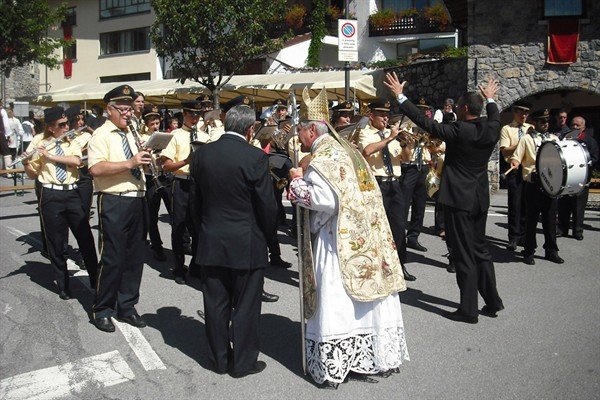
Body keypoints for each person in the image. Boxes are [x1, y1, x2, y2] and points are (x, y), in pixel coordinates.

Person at [288, 87, 409, 387]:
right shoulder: (347, 149)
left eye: (301, 131)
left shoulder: (324, 156)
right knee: (365, 301)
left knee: (337, 296)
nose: (299, 137)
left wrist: (297, 185)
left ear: (311, 130)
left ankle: (335, 364)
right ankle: (368, 356)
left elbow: (326, 200)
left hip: (338, 237)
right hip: (366, 234)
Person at [385, 71, 504, 324]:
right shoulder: (492, 128)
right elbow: (494, 114)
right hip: (479, 197)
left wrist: (401, 97)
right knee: (480, 249)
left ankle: (469, 310)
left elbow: (426, 123)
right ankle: (492, 301)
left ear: (461, 109)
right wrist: (491, 99)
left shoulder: (459, 130)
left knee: (463, 254)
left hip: (458, 200)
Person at [190, 103, 278, 377]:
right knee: (246, 306)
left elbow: (194, 203)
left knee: (215, 304)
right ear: (250, 129)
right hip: (246, 240)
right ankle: (243, 362)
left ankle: (219, 360)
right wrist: (268, 234)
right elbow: (267, 204)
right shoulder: (255, 157)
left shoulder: (202, 155)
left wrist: (200, 233)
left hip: (211, 239)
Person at [87, 84, 151, 332]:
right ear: (109, 110)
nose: (128, 113)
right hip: (114, 199)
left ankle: (127, 306)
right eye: (123, 109)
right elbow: (95, 169)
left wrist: (145, 159)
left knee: (135, 257)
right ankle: (102, 309)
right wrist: (130, 162)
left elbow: (135, 164)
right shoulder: (101, 135)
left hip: (137, 197)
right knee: (113, 258)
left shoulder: (132, 133)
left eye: (130, 109)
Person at [22, 107, 98, 300]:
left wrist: (50, 156)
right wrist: (25, 163)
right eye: (62, 125)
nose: (67, 127)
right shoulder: (39, 142)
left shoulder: (70, 140)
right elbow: (34, 174)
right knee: (56, 243)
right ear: (51, 128)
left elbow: (75, 161)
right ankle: (63, 284)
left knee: (85, 237)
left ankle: (96, 278)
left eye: (66, 123)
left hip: (71, 193)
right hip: (50, 195)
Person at [357, 99, 416, 281]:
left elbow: (406, 159)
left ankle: (400, 264)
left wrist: (405, 143)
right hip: (377, 182)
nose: (385, 117)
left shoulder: (393, 134)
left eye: (386, 114)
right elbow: (367, 151)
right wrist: (390, 137)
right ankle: (376, 265)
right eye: (381, 114)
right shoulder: (365, 133)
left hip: (395, 183)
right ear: (371, 116)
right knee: (376, 225)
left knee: (399, 226)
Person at [510, 109, 564, 265]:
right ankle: (528, 251)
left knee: (550, 219)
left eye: (547, 121)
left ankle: (551, 250)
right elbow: (516, 156)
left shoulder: (554, 139)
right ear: (534, 123)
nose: (546, 124)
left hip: (550, 184)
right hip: (533, 183)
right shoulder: (526, 139)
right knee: (531, 219)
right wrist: (515, 162)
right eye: (542, 121)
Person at [161, 100, 202, 284]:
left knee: (199, 228)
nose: (195, 118)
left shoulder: (203, 135)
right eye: (192, 114)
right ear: (184, 114)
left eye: (198, 114)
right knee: (179, 227)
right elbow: (167, 165)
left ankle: (195, 265)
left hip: (199, 185)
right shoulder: (176, 136)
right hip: (181, 183)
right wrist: (186, 161)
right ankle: (178, 267)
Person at [557, 116, 599, 240]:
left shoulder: (590, 141)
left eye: (577, 125)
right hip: (566, 179)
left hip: (581, 178)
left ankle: (577, 231)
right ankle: (562, 229)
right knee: (564, 205)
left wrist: (582, 163)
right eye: (573, 125)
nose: (574, 127)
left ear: (583, 128)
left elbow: (595, 158)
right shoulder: (565, 139)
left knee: (578, 207)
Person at [140, 104, 173, 261]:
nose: (155, 126)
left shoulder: (164, 135)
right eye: (152, 123)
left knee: (174, 212)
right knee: (151, 215)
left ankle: (179, 244)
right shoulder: (141, 139)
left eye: (157, 123)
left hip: (164, 176)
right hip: (150, 177)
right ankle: (157, 246)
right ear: (146, 123)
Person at [499, 101, 533, 251]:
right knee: (515, 205)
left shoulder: (530, 128)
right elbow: (505, 151)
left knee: (527, 204)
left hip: (528, 169)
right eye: (521, 112)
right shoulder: (507, 129)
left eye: (526, 113)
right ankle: (513, 237)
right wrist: (522, 142)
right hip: (513, 169)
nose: (524, 115)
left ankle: (524, 237)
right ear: (515, 112)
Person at [402, 98, 433, 253]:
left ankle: (413, 237)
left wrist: (429, 140)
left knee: (420, 205)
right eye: (419, 109)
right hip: (410, 166)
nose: (422, 112)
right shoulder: (406, 124)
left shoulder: (427, 124)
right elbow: (404, 148)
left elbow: (435, 144)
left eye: (424, 110)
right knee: (404, 203)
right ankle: (400, 237)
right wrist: (411, 138)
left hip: (424, 165)